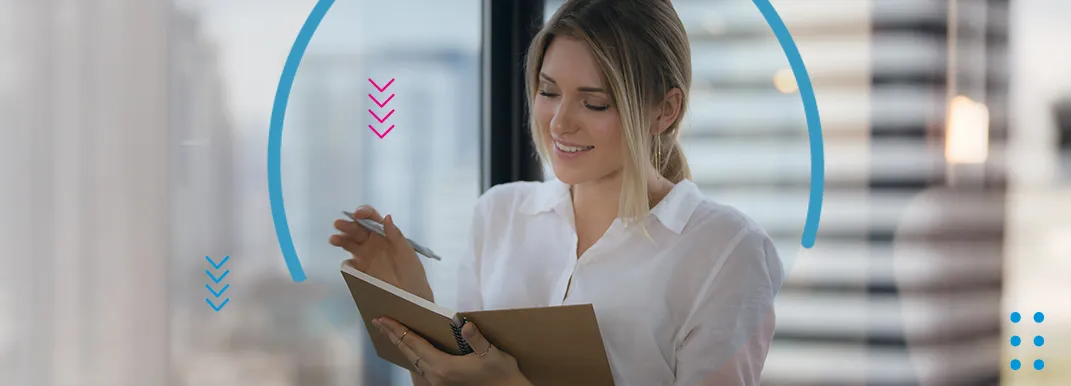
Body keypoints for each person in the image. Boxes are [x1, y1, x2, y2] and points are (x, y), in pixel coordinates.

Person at [329, 0, 784, 384]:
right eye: (549, 91)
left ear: (665, 110)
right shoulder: (500, 213)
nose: (560, 122)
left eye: (594, 102)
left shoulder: (727, 250)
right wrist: (415, 304)